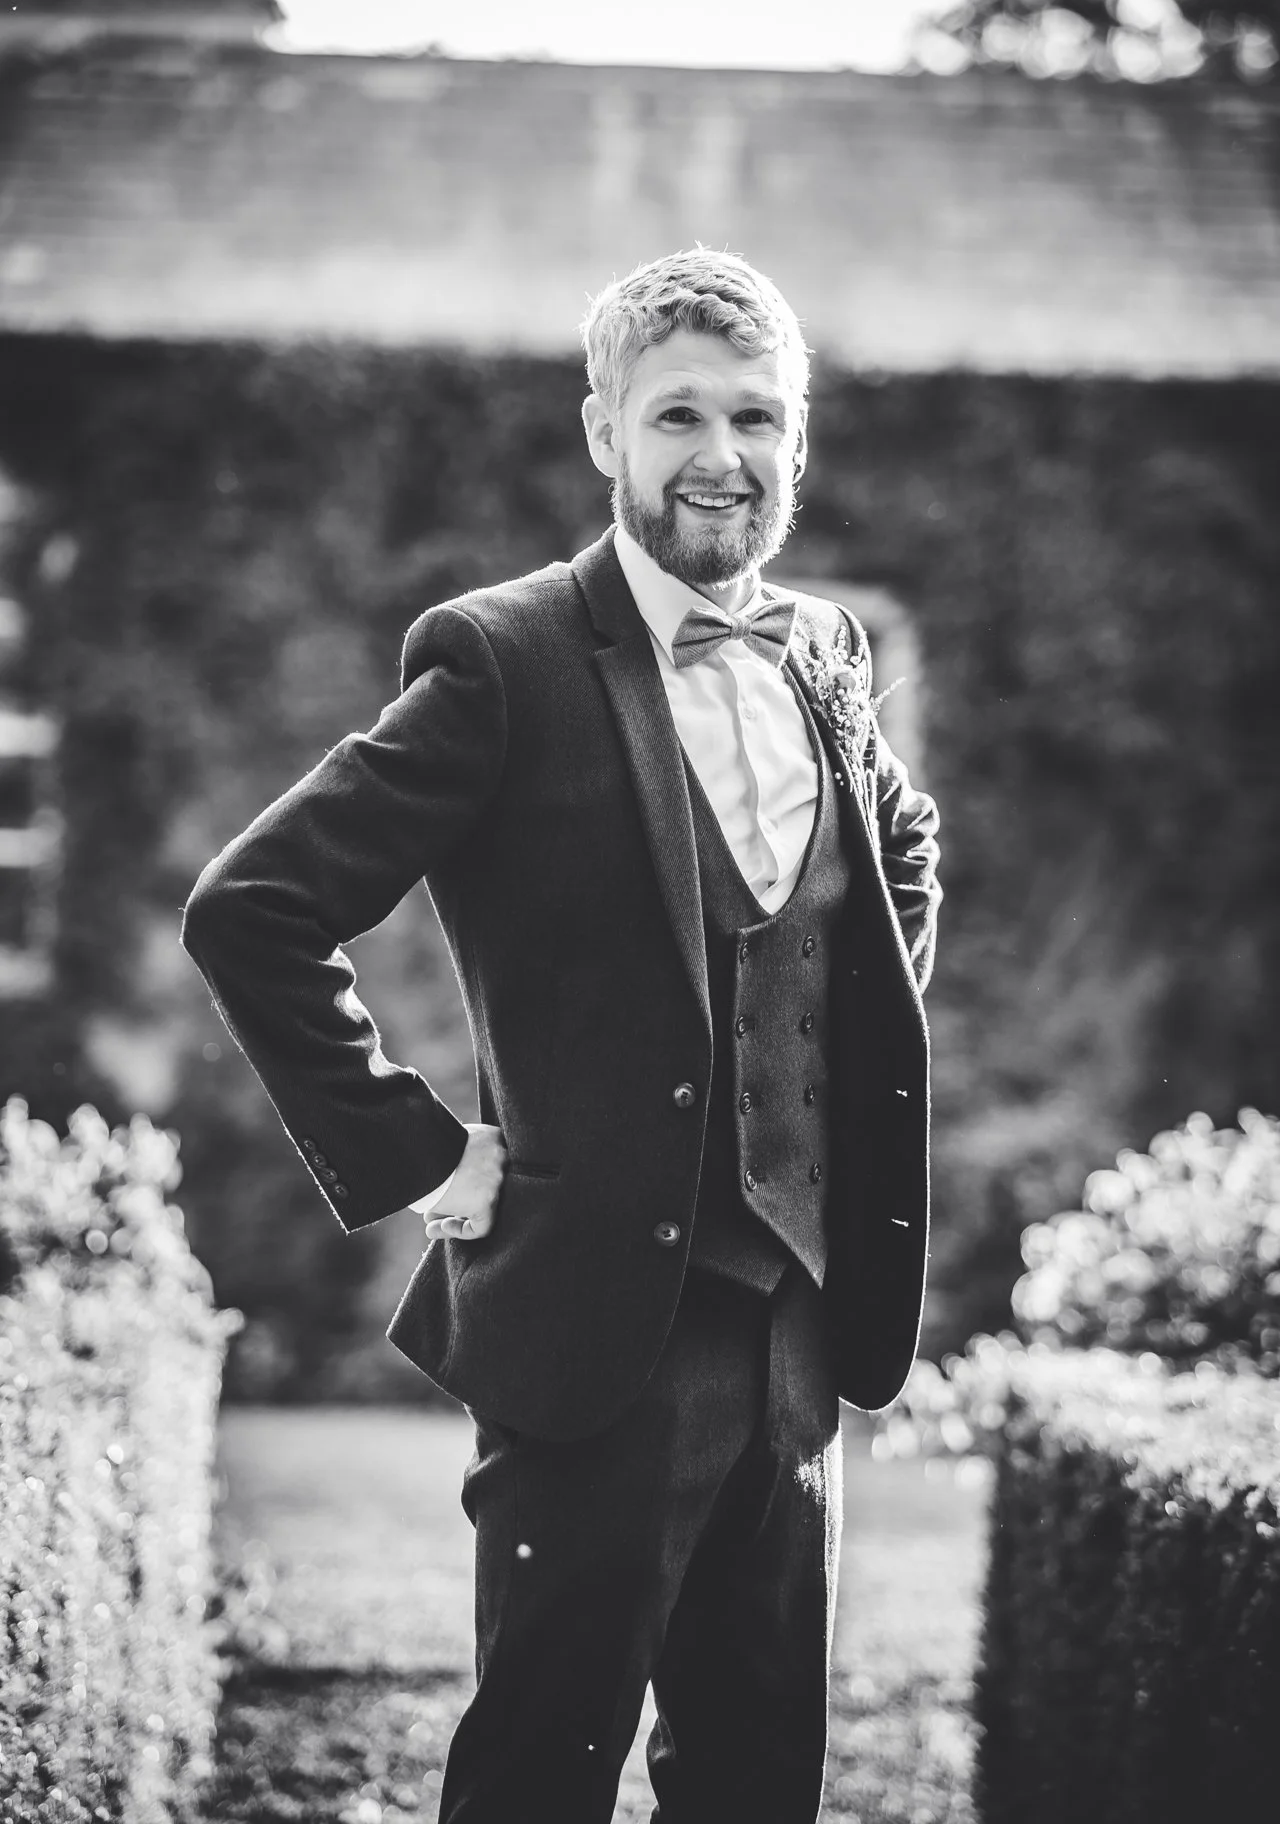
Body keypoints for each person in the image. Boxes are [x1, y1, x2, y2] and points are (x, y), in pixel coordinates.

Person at [182, 247, 941, 1824]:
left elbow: (897, 854)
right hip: (596, 1332)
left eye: (756, 418)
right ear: (605, 433)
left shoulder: (824, 654)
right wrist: (420, 1154)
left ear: (797, 441)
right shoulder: (503, 660)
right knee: (540, 1778)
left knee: (760, 1784)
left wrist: (847, 1076)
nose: (722, 455)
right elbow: (253, 908)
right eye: (678, 416)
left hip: (801, 1331)